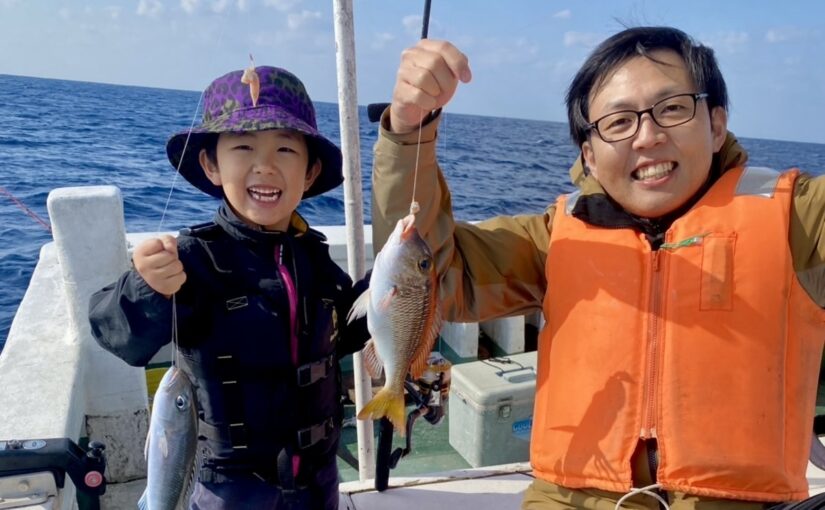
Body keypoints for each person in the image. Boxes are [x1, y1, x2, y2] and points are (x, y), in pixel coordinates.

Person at [371, 26, 825, 509]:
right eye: (618, 121)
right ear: (589, 154)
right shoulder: (551, 238)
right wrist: (408, 133)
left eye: (673, 108)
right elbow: (436, 274)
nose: (648, 136)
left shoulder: (797, 218)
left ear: (716, 125)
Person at [89, 65, 368, 510]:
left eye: (285, 149)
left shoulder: (313, 257)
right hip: (230, 490)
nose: (265, 165)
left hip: (318, 480)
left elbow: (343, 333)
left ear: (311, 172)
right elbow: (118, 335)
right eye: (243, 147)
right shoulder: (195, 260)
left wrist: (393, 288)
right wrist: (147, 287)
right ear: (211, 164)